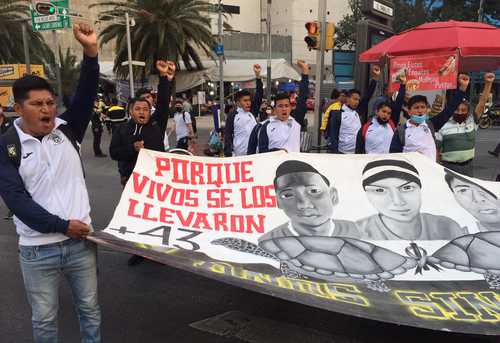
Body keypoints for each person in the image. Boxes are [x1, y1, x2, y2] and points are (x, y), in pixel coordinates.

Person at [0, 23, 101, 342]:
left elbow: (86, 92)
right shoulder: (6, 147)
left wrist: (90, 53)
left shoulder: (68, 129)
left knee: (91, 311)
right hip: (37, 250)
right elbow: (17, 202)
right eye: (37, 104)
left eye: (50, 103)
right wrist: (61, 225)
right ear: (18, 108)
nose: (47, 109)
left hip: (81, 244)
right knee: (44, 321)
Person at [355, 159, 467, 240]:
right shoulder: (356, 233)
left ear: (419, 189)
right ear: (367, 195)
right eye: (380, 190)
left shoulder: (446, 227)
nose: (398, 201)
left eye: (407, 188)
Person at [258, 160, 359, 246]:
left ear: (333, 196)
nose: (303, 204)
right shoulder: (268, 243)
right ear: (278, 202)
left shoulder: (358, 232)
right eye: (288, 195)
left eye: (314, 191)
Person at [110, 60, 174, 187]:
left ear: (150, 112)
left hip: (155, 181)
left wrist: (163, 77)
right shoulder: (122, 129)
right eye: (138, 109)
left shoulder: (156, 125)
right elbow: (114, 153)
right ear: (131, 111)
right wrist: (132, 148)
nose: (142, 112)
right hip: (131, 182)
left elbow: (163, 103)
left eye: (145, 109)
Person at [389, 74, 470, 161]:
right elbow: (394, 156)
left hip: (431, 172)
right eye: (416, 108)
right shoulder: (401, 131)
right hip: (411, 172)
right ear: (409, 111)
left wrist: (462, 88)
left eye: (423, 107)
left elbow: (449, 109)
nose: (420, 111)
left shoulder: (431, 124)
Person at [436, 73, 495, 176]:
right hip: (448, 168)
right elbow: (436, 149)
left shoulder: (472, 121)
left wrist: (488, 83)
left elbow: (482, 103)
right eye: (457, 109)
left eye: (463, 110)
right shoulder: (442, 125)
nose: (459, 112)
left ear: (468, 111)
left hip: (468, 167)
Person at [249, 60, 310, 154]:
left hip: (294, 167)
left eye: (286, 106)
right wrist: (278, 152)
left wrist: (305, 72)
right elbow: (262, 152)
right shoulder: (266, 126)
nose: (284, 109)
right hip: (274, 167)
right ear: (275, 109)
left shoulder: (296, 120)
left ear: (290, 108)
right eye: (280, 106)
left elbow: (302, 97)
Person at [327, 65, 380, 154]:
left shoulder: (357, 112)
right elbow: (333, 136)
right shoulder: (337, 114)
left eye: (358, 100)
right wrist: (335, 155)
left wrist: (375, 78)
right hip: (342, 154)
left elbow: (367, 97)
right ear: (347, 99)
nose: (357, 102)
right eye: (354, 99)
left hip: (357, 154)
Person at [356, 73, 407, 154]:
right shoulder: (365, 128)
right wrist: (375, 79)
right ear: (376, 111)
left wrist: (403, 85)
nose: (386, 115)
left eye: (389, 113)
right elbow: (358, 152)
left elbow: (398, 104)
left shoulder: (392, 124)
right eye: (383, 111)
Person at [223, 64, 263, 156]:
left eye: (249, 100)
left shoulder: (252, 112)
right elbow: (228, 135)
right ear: (237, 102)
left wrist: (258, 76)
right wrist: (229, 154)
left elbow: (259, 95)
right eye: (245, 101)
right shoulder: (232, 115)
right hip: (239, 157)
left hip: (254, 155)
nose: (248, 103)